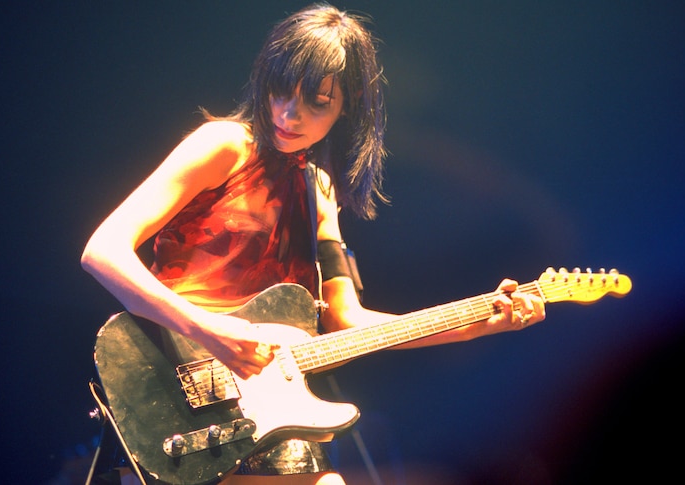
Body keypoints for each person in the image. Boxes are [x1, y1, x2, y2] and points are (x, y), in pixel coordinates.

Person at [81, 3, 545, 484]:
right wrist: (206, 329)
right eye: (282, 91)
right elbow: (103, 250)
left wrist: (475, 325)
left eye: (317, 102)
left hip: (268, 413)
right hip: (176, 397)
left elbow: (348, 325)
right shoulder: (221, 145)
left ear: (349, 103)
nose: (289, 113)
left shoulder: (319, 190)